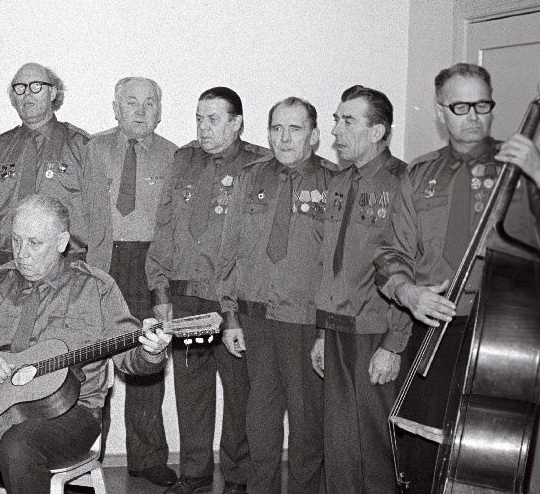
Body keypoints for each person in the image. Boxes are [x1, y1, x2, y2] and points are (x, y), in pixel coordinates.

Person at [0, 194, 172, 494]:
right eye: (16, 241)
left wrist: (150, 351)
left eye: (34, 243)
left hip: (73, 413)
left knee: (17, 446)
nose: (21, 254)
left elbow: (129, 359)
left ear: (62, 241)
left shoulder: (96, 288)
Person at [374, 63, 540, 493]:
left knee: (493, 456)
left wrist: (538, 174)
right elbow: (391, 253)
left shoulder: (522, 166)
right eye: (461, 105)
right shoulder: (419, 174)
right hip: (436, 328)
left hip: (507, 334)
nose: (473, 116)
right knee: (424, 448)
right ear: (440, 111)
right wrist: (409, 293)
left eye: (482, 104)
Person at [146, 87, 268, 494]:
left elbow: (253, 243)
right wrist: (160, 292)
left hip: (231, 300)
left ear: (236, 123)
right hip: (186, 298)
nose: (203, 127)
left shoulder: (258, 165)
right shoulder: (183, 160)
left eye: (213, 119)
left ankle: (236, 476)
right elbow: (164, 227)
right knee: (191, 391)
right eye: (199, 118)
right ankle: (194, 474)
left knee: (239, 393)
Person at [216, 97, 334, 494]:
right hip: (255, 319)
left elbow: (337, 266)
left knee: (306, 423)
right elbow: (229, 251)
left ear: (314, 136)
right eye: (276, 129)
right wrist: (230, 315)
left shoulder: (334, 182)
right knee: (259, 420)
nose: (283, 138)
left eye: (294, 129)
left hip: (304, 321)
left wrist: (325, 331)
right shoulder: (251, 178)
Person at [309, 85, 411, 493]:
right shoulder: (337, 181)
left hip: (376, 329)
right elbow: (326, 262)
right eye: (336, 119)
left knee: (374, 440)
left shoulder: (403, 182)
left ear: (377, 131)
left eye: (346, 120)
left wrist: (394, 343)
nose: (335, 130)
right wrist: (320, 332)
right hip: (335, 327)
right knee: (339, 439)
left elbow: (409, 269)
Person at [90, 76, 179, 487]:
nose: (140, 111)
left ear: (159, 110)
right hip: (98, 265)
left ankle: (147, 458)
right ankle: (86, 454)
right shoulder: (92, 149)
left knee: (148, 362)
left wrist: (161, 285)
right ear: (115, 107)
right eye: (131, 102)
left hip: (148, 266)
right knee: (90, 366)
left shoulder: (174, 156)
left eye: (149, 103)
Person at [0, 62, 112, 272]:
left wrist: (96, 279)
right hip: (6, 268)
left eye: (36, 86)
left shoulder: (82, 146)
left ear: (52, 92)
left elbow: (100, 222)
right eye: (20, 88)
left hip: (66, 271)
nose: (27, 94)